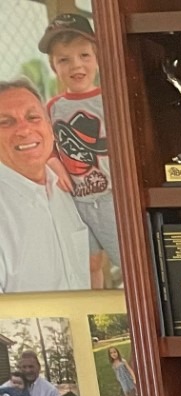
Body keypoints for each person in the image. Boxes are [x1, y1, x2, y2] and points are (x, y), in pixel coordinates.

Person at [39, 13, 117, 279]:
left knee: (126, 259)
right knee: (88, 264)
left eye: (84, 56)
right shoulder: (53, 107)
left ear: (97, 58)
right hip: (75, 200)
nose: (76, 66)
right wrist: (52, 161)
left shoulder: (111, 100)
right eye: (64, 60)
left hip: (110, 198)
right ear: (53, 67)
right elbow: (46, 145)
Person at [0, 81, 91, 293]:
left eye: (33, 118)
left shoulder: (66, 187)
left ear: (50, 128)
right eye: (5, 122)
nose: (25, 129)